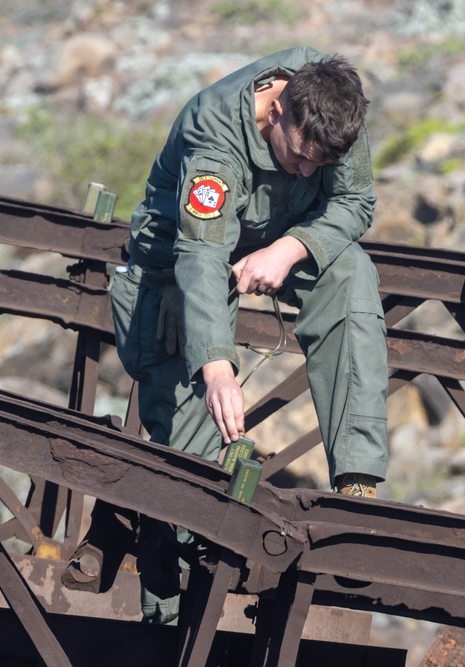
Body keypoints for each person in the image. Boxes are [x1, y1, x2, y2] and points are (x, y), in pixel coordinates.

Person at [102, 46, 389, 624]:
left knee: (351, 270)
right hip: (174, 278)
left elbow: (356, 201)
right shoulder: (214, 131)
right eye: (300, 157)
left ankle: (357, 478)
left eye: (318, 165)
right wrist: (217, 365)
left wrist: (292, 248)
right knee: (188, 473)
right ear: (277, 109)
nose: (307, 171)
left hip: (268, 246)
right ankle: (164, 627)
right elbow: (202, 252)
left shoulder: (333, 105)